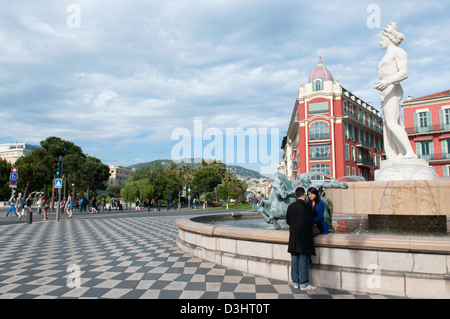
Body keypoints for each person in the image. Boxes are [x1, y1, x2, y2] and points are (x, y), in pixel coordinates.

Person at [374, 22, 417, 160]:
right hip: (385, 93)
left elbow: (404, 72)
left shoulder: (399, 52)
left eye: (382, 39)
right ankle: (399, 153)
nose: (380, 42)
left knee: (392, 123)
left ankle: (409, 152)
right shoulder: (385, 56)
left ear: (389, 38)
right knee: (390, 124)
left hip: (392, 89)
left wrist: (387, 81)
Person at [286, 187, 317, 291]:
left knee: (294, 259)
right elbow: (311, 221)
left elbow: (288, 221)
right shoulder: (306, 207)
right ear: (304, 194)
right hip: (303, 238)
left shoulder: (290, 207)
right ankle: (304, 283)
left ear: (296, 195)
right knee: (303, 259)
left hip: (293, 238)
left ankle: (295, 282)